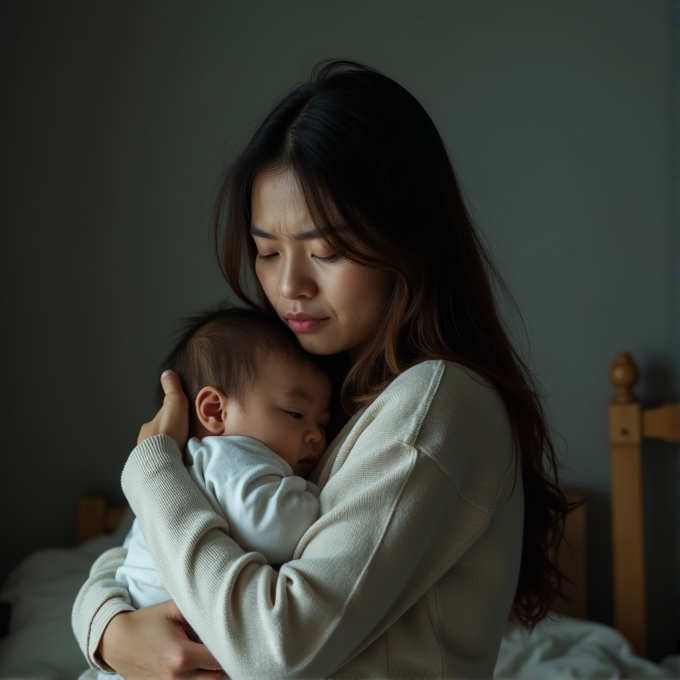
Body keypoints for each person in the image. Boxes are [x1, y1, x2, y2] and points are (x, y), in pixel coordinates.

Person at [72, 60, 570, 679]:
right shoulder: (303, 389)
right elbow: (141, 549)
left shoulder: (435, 405)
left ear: (406, 238)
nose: (288, 285)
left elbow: (272, 649)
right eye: (267, 251)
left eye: (326, 251)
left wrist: (152, 469)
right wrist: (108, 631)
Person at [96, 306, 331, 680]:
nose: (316, 436)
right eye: (296, 413)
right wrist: (316, 494)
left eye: (323, 422)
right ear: (214, 411)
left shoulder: (186, 469)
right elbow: (277, 527)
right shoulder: (231, 457)